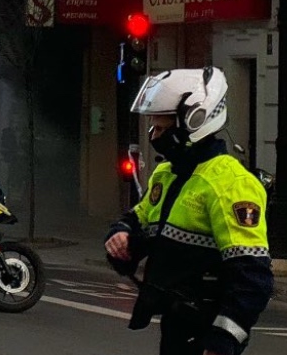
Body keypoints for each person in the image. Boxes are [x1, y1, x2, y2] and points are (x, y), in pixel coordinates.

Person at [104, 67, 273, 355]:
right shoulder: (167, 174)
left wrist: (222, 342)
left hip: (207, 332)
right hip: (176, 326)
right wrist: (121, 237)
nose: (154, 134)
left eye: (161, 126)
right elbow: (138, 221)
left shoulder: (230, 183)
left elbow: (252, 277)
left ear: (194, 121)